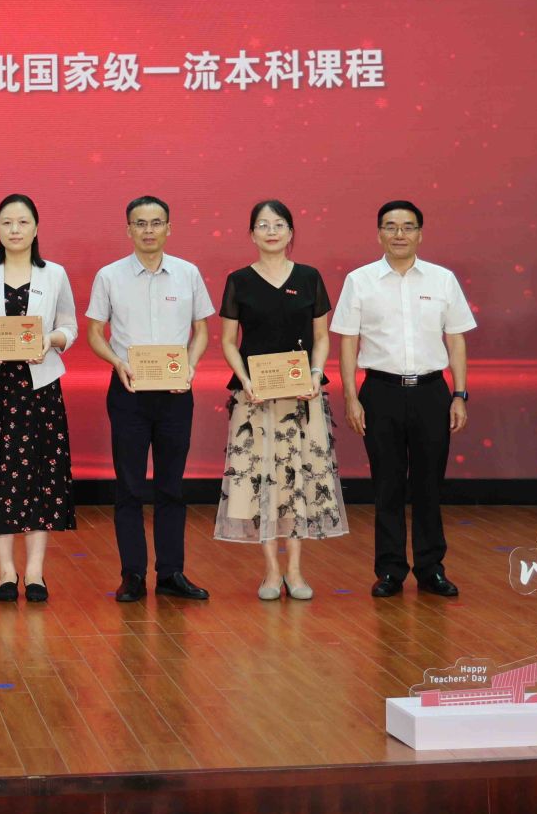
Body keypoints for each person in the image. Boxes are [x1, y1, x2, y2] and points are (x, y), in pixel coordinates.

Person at [331, 200, 476, 599]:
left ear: (420, 234)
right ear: (379, 233)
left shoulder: (442, 280)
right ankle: (391, 570)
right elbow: (348, 342)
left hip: (432, 392)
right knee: (387, 486)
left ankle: (431, 569)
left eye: (408, 227)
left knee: (429, 486)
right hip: (380, 392)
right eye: (391, 227)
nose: (399, 234)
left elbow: (456, 339)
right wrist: (351, 397)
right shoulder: (360, 280)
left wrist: (459, 395)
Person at [213, 200, 347, 600]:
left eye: (279, 225)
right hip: (254, 398)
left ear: (290, 232)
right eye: (263, 225)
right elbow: (228, 341)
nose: (271, 231)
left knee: (299, 480)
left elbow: (321, 337)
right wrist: (244, 380)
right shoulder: (239, 280)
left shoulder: (309, 278)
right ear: (251, 234)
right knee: (261, 479)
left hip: (301, 397)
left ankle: (296, 571)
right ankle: (271, 571)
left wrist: (316, 374)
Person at [85, 195, 212, 604]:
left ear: (169, 228)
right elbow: (94, 333)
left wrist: (190, 366)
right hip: (129, 392)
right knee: (130, 486)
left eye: (157, 222)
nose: (149, 230)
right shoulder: (109, 276)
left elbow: (202, 330)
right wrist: (117, 362)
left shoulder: (188, 273)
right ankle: (133, 574)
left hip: (176, 393)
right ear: (128, 230)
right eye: (140, 223)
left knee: (172, 486)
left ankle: (171, 572)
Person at [0, 194, 78, 603]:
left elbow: (69, 327)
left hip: (40, 390)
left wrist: (51, 340)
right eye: (7, 222)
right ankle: (6, 571)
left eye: (23, 222)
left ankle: (36, 572)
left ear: (36, 227)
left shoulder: (54, 274)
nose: (15, 230)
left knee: (40, 477)